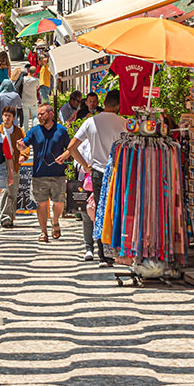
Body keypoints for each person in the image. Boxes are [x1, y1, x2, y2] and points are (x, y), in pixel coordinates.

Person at [60, 89, 125, 263]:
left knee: (99, 210)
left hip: (96, 172)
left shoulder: (91, 122)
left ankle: (102, 253)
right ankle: (117, 249)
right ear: (119, 105)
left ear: (104, 103)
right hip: (118, 172)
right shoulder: (125, 123)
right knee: (117, 209)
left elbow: (72, 147)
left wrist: (84, 165)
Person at [23, 102, 72, 245]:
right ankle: (43, 232)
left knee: (58, 202)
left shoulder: (61, 131)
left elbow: (70, 148)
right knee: (41, 204)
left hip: (58, 174)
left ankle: (55, 221)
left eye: (42, 113)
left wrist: (64, 156)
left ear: (50, 114)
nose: (39, 116)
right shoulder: (34, 130)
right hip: (39, 174)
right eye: (38, 114)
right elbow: (25, 144)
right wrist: (21, 146)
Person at [0, 106, 27, 228]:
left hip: (14, 164)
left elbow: (26, 144)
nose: (7, 118)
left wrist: (23, 156)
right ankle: (4, 217)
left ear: (13, 118)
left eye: (9, 116)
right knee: (4, 191)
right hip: (0, 164)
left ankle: (9, 216)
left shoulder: (18, 131)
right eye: (5, 115)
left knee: (13, 192)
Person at [17, 63, 40, 128]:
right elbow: (37, 87)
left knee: (26, 117)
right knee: (34, 116)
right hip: (33, 100)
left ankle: (26, 132)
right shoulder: (36, 80)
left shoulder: (24, 79)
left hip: (24, 100)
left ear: (28, 71)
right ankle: (34, 130)